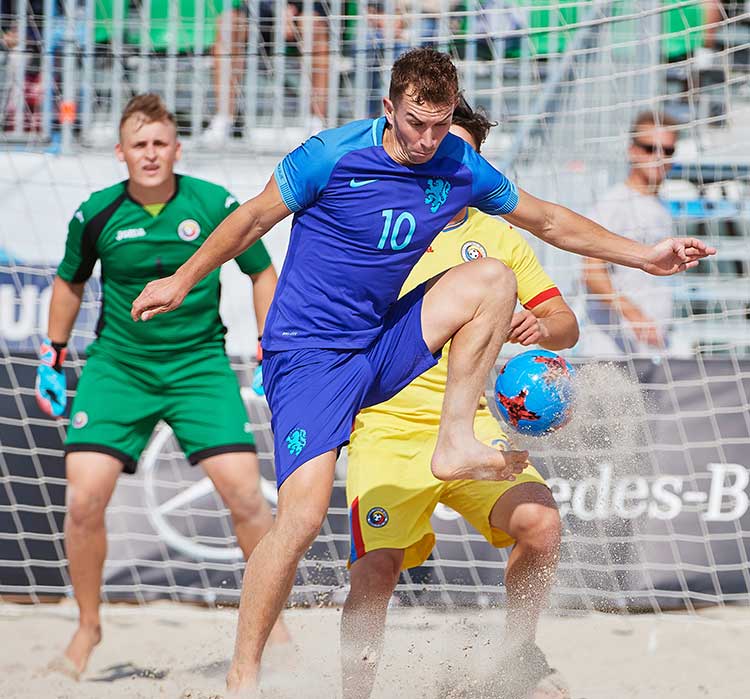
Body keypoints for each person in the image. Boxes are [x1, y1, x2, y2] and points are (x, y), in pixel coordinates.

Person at [129, 48, 714, 694]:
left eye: (438, 126)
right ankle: (243, 677)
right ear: (388, 108)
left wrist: (644, 256)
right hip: (312, 354)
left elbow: (547, 219)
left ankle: (457, 438)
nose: (427, 140)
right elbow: (248, 220)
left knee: (493, 278)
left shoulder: (456, 165)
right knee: (297, 519)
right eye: (414, 123)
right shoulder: (330, 154)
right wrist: (183, 279)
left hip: (385, 345)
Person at [35, 93, 290, 679]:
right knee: (82, 500)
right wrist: (51, 354)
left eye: (159, 143)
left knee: (249, 498)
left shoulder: (214, 203)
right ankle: (87, 627)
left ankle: (274, 626)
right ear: (121, 152)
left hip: (198, 364)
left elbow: (262, 273)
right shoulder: (95, 212)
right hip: (118, 366)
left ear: (177, 149)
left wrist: (266, 339)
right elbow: (68, 282)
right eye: (139, 145)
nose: (150, 154)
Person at [340, 98, 577, 699]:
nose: (450, 159)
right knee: (375, 572)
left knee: (542, 525)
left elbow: (565, 324)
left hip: (472, 425)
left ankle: (518, 656)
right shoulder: (382, 219)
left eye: (464, 152)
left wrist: (539, 329)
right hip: (388, 424)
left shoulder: (498, 237)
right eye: (443, 144)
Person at [581, 111, 679, 356]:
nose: (659, 158)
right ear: (632, 150)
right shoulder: (613, 204)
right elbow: (591, 274)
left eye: (667, 151)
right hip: (613, 347)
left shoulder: (662, 206)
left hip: (654, 344)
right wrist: (635, 316)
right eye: (650, 148)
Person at [201, 0, 329, 144]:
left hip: (305, 8)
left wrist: (291, 9)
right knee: (227, 23)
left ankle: (317, 122)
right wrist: (277, 8)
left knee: (312, 24)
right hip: (260, 9)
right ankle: (224, 118)